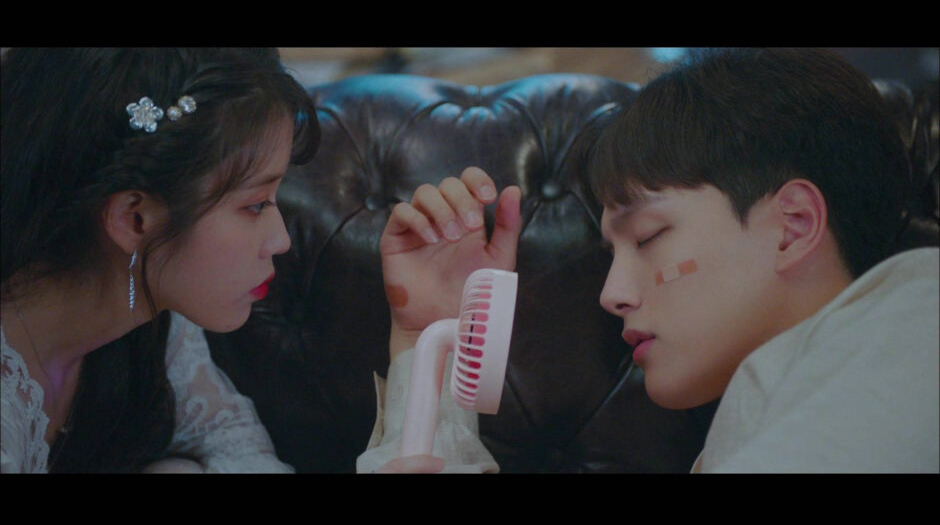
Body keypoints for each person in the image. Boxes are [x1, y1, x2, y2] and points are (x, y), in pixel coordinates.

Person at [361, 48, 938, 473]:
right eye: (613, 253)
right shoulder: (772, 415)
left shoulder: (917, 317)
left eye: (649, 235)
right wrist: (431, 344)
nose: (612, 294)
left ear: (793, 227)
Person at [1, 47, 321, 473]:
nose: (281, 241)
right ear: (134, 219)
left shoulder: (152, 306)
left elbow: (239, 448)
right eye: (255, 204)